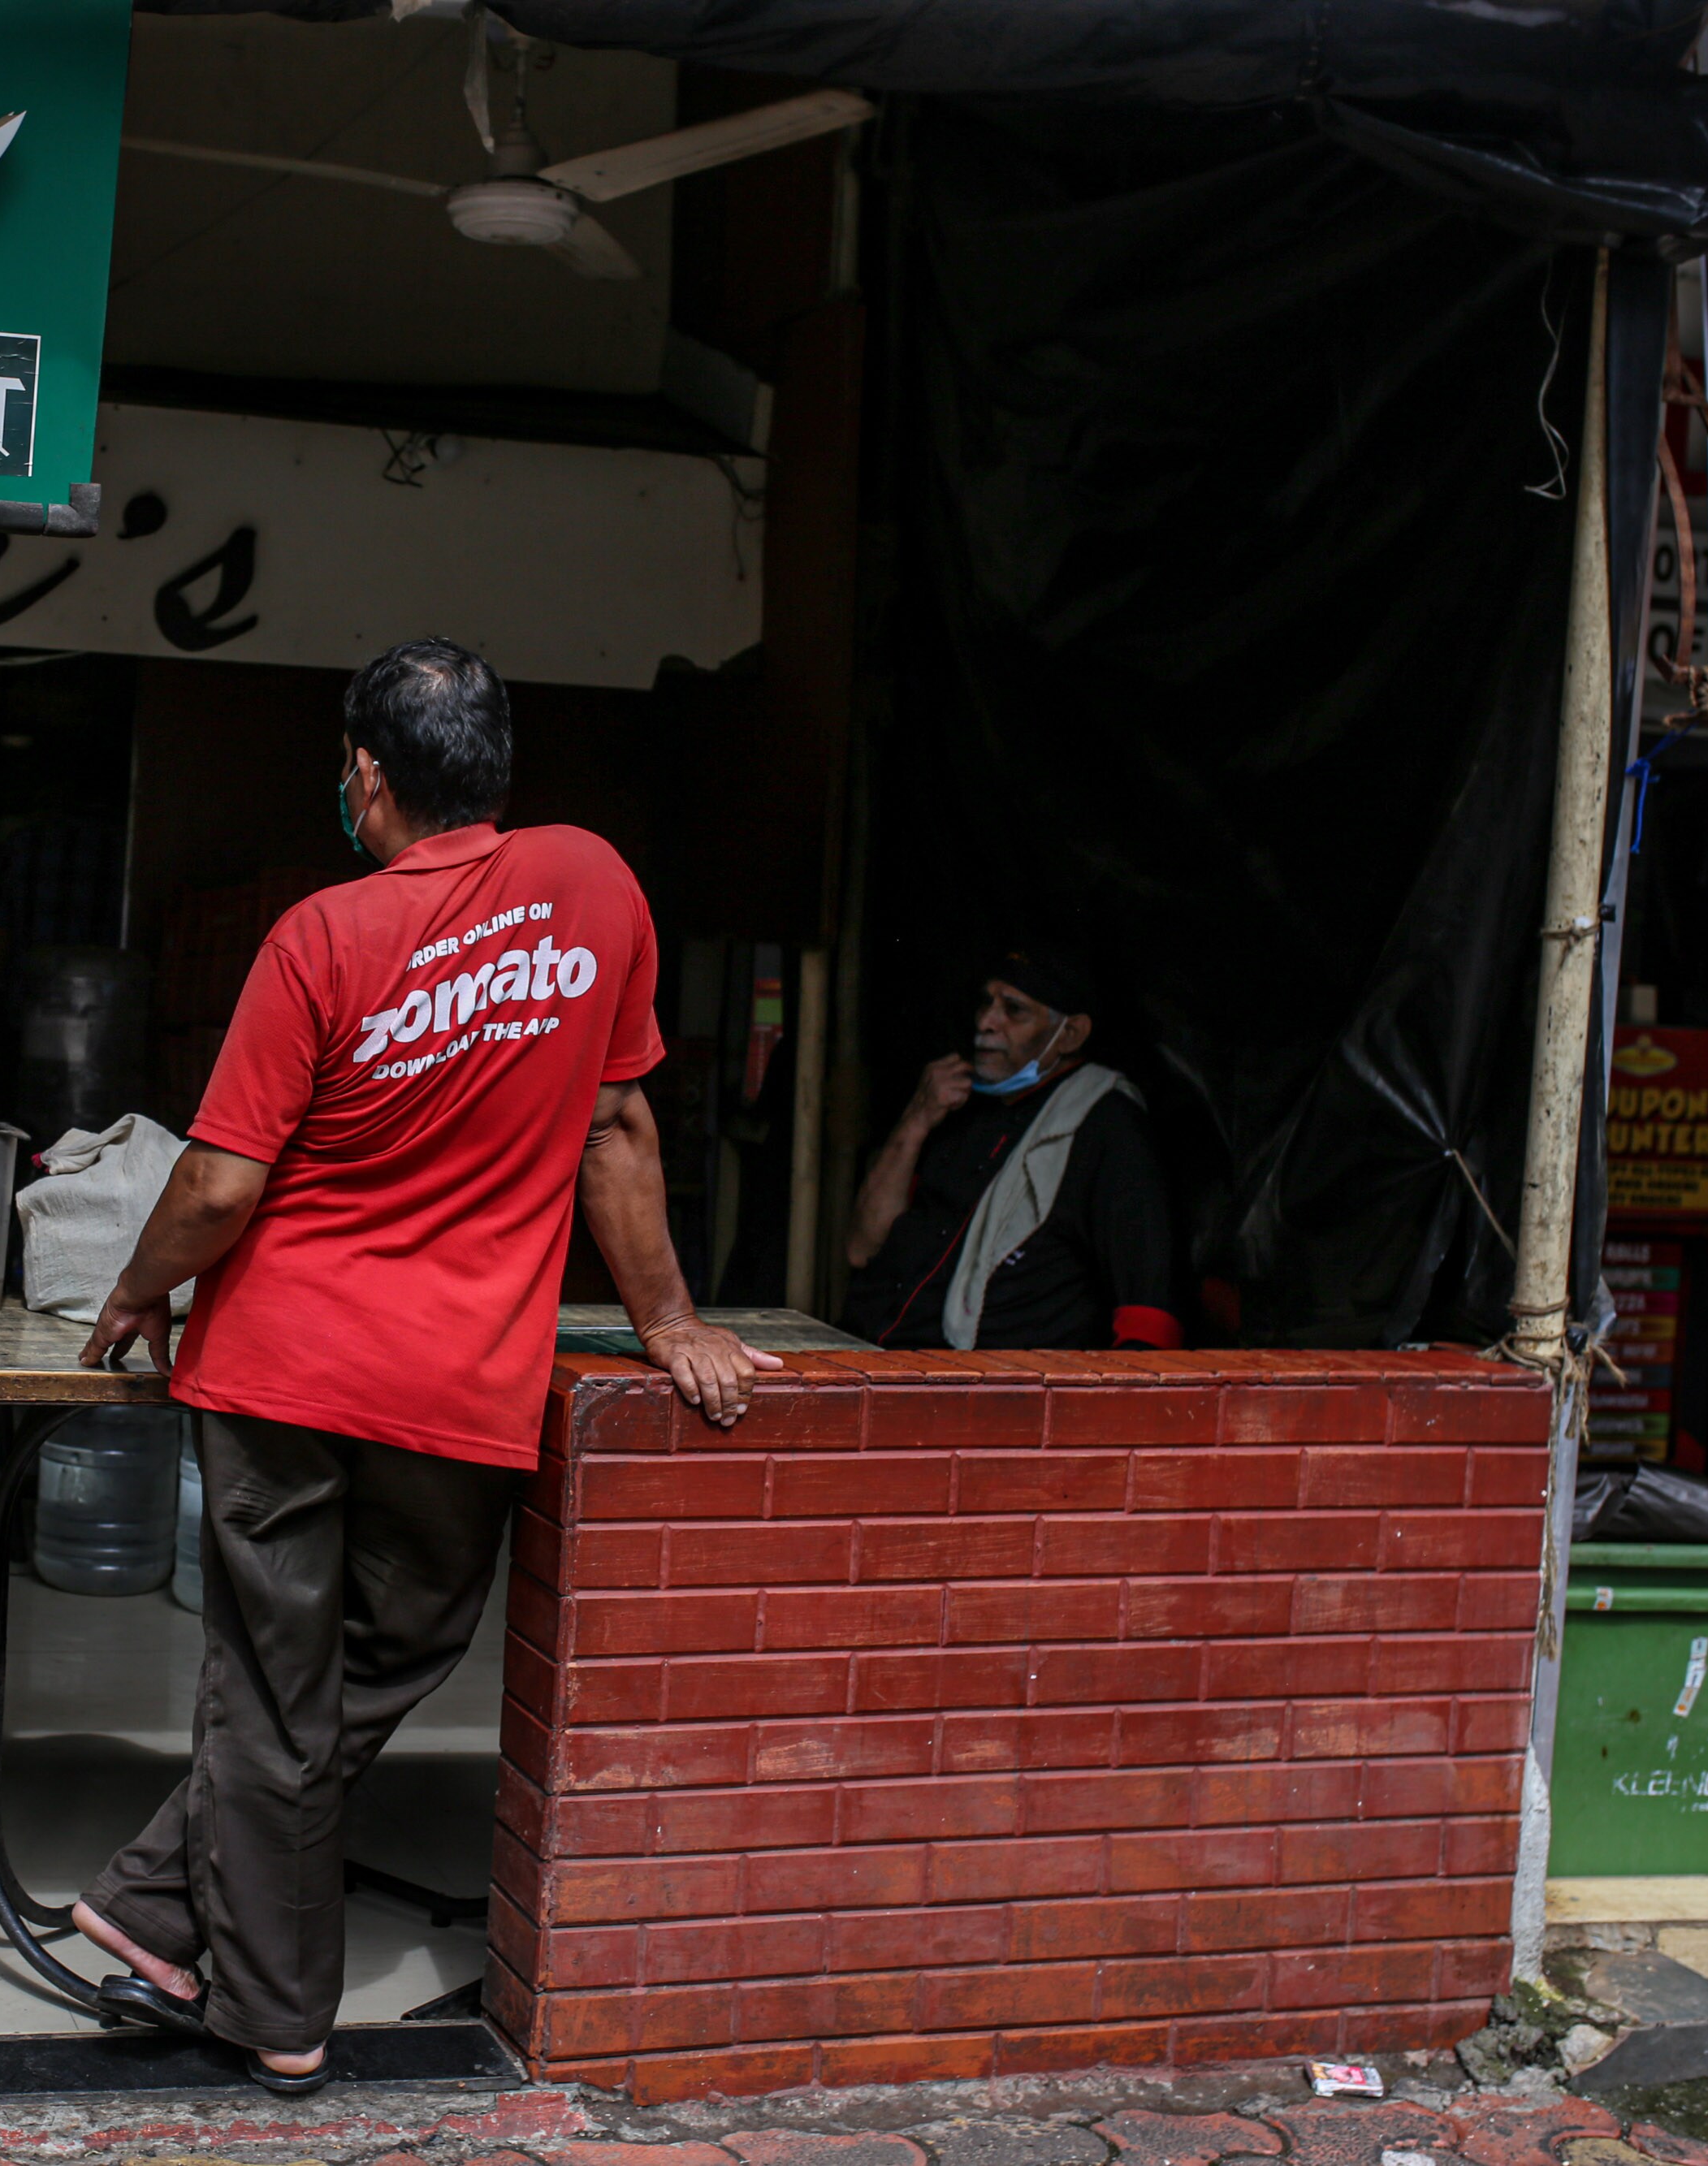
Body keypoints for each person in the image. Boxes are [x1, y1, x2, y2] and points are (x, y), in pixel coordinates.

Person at [64, 638, 775, 2093]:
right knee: (375, 1664)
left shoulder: (320, 937)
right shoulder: (595, 883)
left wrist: (138, 1289)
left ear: (367, 774)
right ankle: (169, 1920)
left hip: (283, 1370)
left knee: (276, 1695)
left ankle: (249, 1991)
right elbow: (619, 1129)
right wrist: (669, 1320)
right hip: (464, 1388)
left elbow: (217, 1183)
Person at [837, 947, 1183, 1351]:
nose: (986, 1022)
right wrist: (916, 1118)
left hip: (988, 1388)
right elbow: (863, 1247)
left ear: (1070, 1034)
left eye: (1014, 1011)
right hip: (873, 1353)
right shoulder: (960, 1105)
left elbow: (1150, 1300)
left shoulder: (1104, 1124)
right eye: (987, 1003)